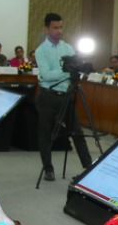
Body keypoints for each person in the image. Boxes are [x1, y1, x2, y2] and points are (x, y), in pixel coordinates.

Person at [34, 13, 92, 181]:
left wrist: (69, 71)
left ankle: (89, 168)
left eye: (61, 27)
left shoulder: (68, 48)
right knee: (45, 134)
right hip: (47, 96)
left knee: (78, 133)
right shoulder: (41, 51)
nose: (59, 31)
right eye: (55, 28)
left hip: (66, 96)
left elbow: (76, 69)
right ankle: (48, 169)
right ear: (46, 28)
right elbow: (46, 75)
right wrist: (66, 71)